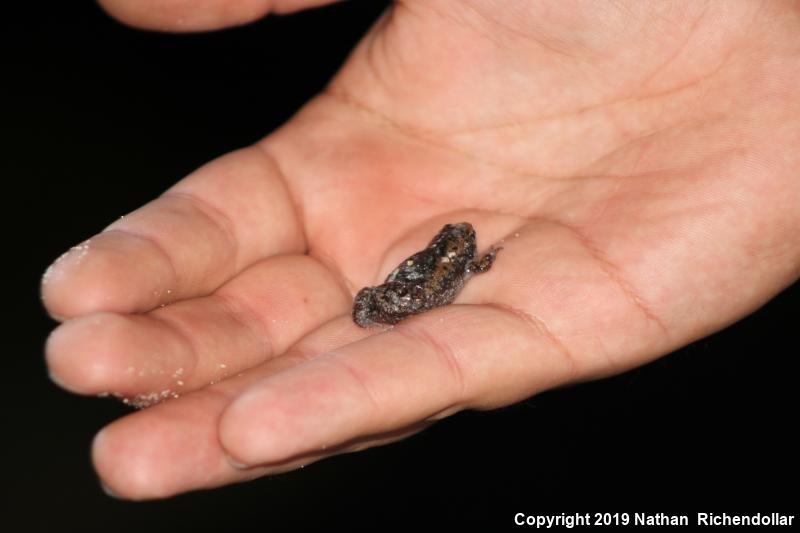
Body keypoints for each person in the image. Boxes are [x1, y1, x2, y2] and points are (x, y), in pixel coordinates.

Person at [41, 0, 800, 500]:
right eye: (462, 238)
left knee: (391, 300)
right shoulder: (454, 261)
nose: (463, 239)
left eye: (463, 239)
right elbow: (455, 265)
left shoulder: (452, 261)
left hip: (408, 295)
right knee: (388, 301)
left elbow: (450, 266)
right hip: (407, 295)